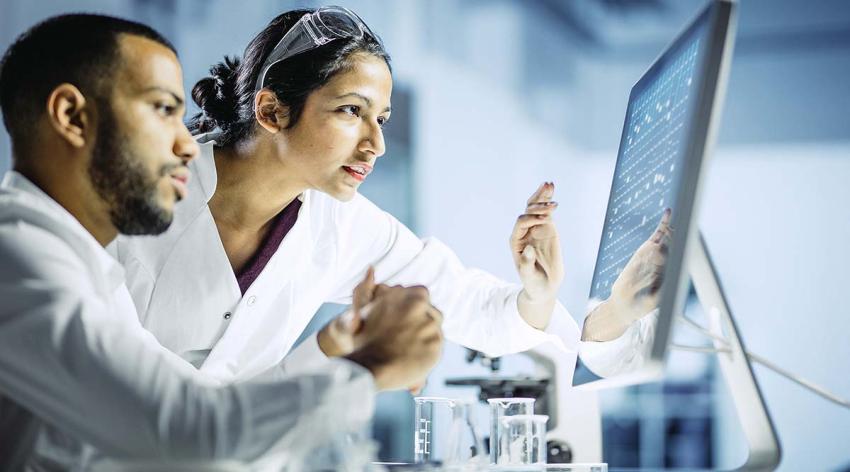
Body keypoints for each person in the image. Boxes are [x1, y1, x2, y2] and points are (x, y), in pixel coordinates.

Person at [0, 13, 443, 469]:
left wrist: (336, 346)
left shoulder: (83, 269)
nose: (189, 144)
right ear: (72, 116)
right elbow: (190, 432)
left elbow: (204, 404)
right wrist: (372, 367)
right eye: (162, 109)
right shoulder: (18, 261)